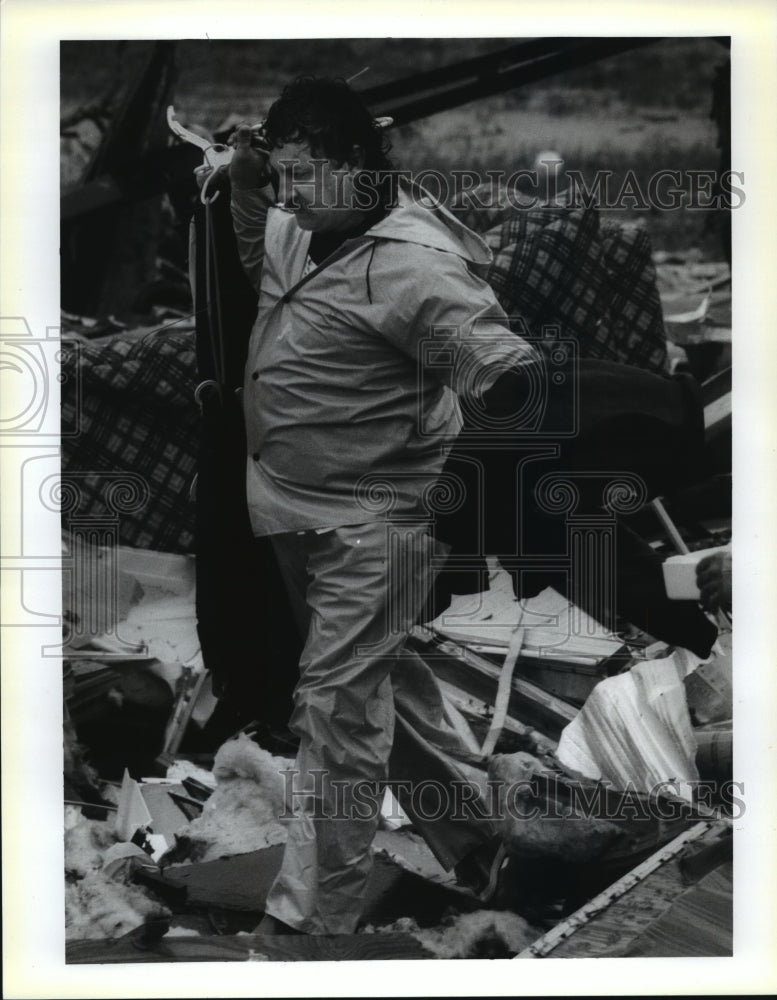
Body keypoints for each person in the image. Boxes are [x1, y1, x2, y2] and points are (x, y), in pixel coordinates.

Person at [226, 76, 537, 935]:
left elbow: (507, 382)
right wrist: (250, 173)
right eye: (279, 177)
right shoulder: (299, 225)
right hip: (290, 507)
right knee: (376, 687)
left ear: (355, 165)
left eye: (300, 176)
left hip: (378, 526)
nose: (285, 198)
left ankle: (308, 927)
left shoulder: (416, 270)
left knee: (335, 712)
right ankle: (482, 844)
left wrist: (465, 502)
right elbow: (258, 247)